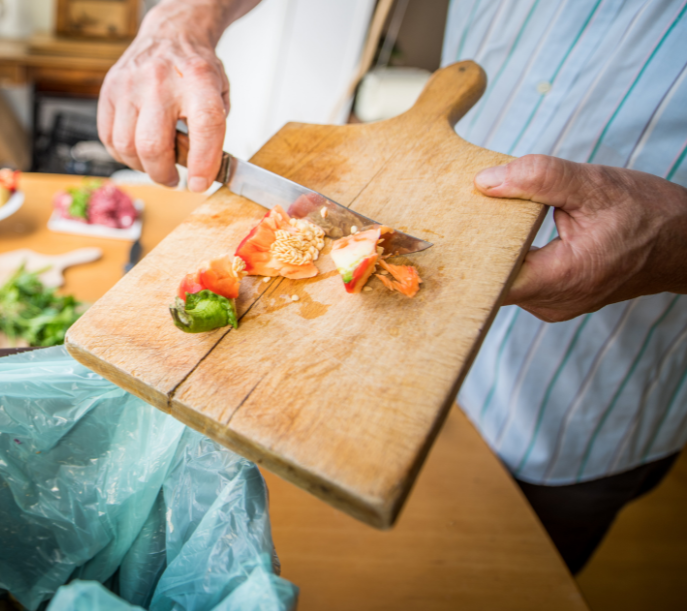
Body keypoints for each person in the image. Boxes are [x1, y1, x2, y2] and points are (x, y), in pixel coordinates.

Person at [98, 0, 687, 573]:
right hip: (382, 340)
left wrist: (670, 240)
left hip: (576, 397)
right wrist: (182, 16)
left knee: (493, 583)